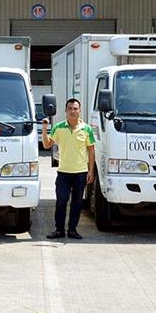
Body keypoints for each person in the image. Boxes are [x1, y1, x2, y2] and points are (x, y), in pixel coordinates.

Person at [42, 98, 95, 240]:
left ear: (79, 110)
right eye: (70, 108)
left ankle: (72, 230)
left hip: (80, 173)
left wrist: (91, 171)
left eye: (75, 108)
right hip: (63, 172)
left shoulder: (87, 129)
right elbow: (47, 145)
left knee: (77, 203)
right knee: (61, 201)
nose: (73, 111)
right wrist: (44, 129)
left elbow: (91, 150)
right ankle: (59, 230)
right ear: (65, 111)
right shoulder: (59, 127)